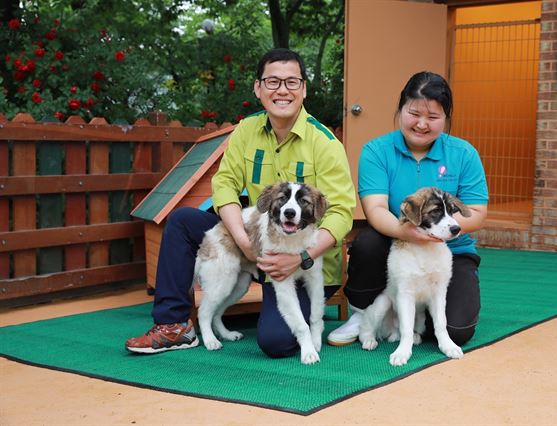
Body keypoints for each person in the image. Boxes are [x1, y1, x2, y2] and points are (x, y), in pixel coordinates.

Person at [126, 48, 356, 358]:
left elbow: (341, 213)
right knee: (182, 220)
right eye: (272, 81)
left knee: (277, 342)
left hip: (303, 260)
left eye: (291, 82)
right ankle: (174, 325)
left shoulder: (325, 143)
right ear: (258, 88)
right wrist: (243, 241)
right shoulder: (246, 130)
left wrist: (302, 257)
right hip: (255, 241)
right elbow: (224, 184)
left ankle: (281, 314)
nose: (282, 90)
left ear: (303, 89)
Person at [327, 71, 488, 347]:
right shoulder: (377, 150)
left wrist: (440, 233)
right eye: (414, 113)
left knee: (459, 331)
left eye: (433, 117)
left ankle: (413, 318)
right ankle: (363, 313)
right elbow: (375, 208)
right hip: (398, 244)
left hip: (451, 249)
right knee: (367, 241)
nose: (422, 124)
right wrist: (409, 233)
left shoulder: (463, 153)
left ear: (446, 118)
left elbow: (477, 211)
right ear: (400, 108)